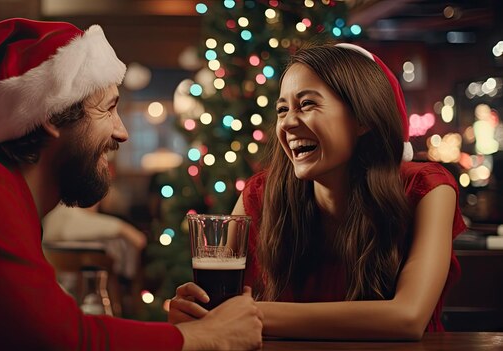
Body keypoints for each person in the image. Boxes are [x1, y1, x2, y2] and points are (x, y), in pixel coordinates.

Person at [0, 18, 263, 350]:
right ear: (52, 116)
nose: (122, 133)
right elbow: (65, 343)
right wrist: (207, 337)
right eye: (108, 109)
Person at [169, 43, 466, 340]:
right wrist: (196, 313)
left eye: (307, 104)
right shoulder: (260, 194)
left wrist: (244, 314)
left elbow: (407, 317)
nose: (288, 123)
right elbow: (215, 308)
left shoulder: (427, 187)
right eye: (282, 110)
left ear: (363, 118)